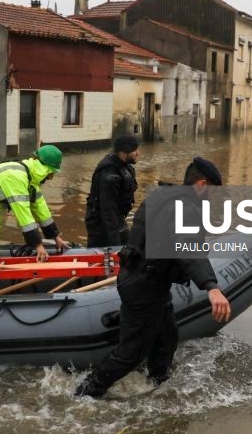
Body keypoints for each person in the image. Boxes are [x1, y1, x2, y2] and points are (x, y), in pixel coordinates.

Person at [75, 157, 231, 398]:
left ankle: (158, 383)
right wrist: (211, 286)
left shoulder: (163, 195)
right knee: (130, 354)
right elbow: (187, 247)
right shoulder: (184, 209)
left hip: (145, 281)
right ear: (202, 184)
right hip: (144, 286)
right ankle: (85, 393)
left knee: (167, 337)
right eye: (212, 191)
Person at [0, 145, 71, 262]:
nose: (50, 178)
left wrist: (55, 237)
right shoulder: (17, 176)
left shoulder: (30, 177)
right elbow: (23, 214)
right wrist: (37, 245)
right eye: (51, 173)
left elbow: (41, 208)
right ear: (43, 168)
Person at [85, 135, 139, 248]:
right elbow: (108, 209)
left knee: (128, 247)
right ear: (124, 153)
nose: (138, 153)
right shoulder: (109, 173)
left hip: (117, 218)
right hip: (100, 224)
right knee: (107, 251)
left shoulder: (123, 166)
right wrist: (115, 244)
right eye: (134, 150)